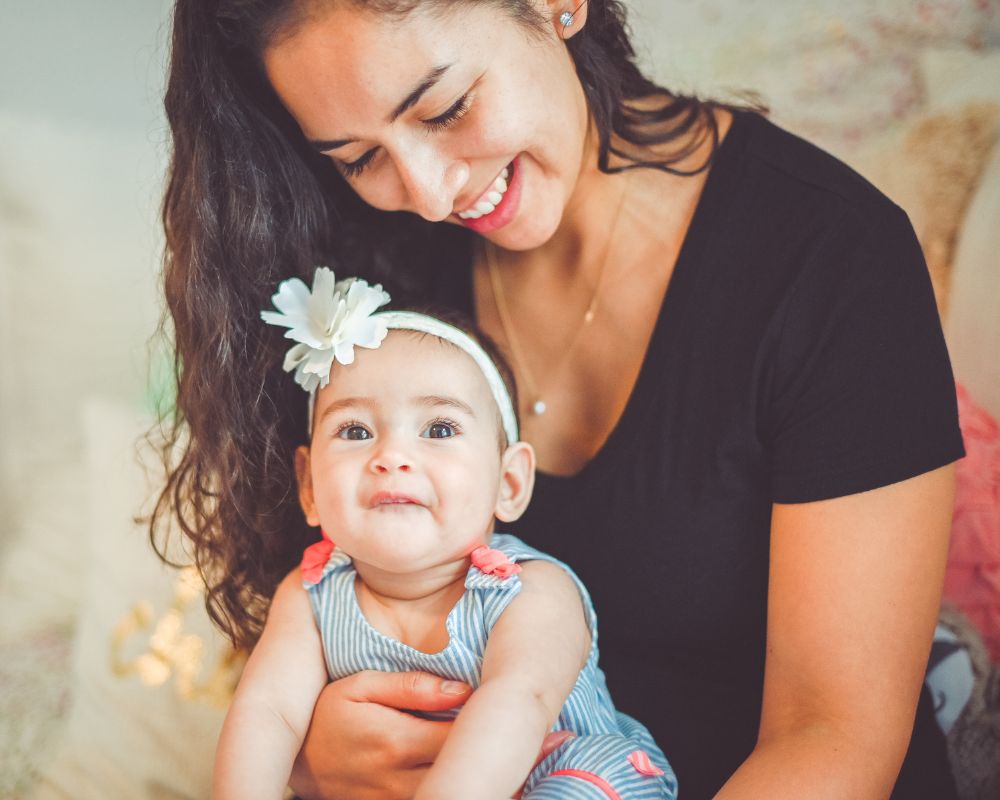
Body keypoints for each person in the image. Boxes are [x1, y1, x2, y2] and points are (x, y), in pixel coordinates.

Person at [154, 1, 965, 798]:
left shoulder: (832, 260)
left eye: (446, 108)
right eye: (358, 157)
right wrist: (315, 753)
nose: (432, 194)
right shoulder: (368, 275)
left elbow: (835, 738)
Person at [211, 272, 677, 799]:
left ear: (509, 482)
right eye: (356, 431)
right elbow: (267, 713)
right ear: (309, 486)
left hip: (559, 773)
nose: (392, 458)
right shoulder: (310, 595)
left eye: (439, 429)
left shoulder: (532, 591)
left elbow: (518, 699)